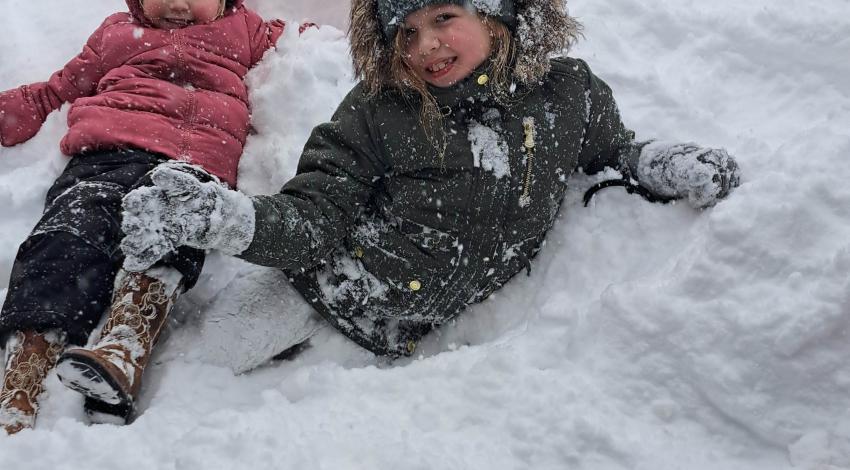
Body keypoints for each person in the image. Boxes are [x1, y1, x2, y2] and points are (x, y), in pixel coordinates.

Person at [124, 0, 738, 418]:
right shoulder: (375, 110)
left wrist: (664, 164)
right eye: (407, 31)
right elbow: (313, 216)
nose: (427, 44)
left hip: (420, 323)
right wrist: (226, 218)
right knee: (219, 353)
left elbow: (611, 151)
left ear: (499, 13)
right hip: (331, 281)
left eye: (445, 15)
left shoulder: (568, 94)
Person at [0, 0, 298, 433]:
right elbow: (57, 91)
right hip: (103, 157)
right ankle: (23, 376)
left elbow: (308, 48)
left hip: (189, 164)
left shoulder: (246, 29)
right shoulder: (115, 33)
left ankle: (125, 345)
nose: (177, 4)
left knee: (176, 227)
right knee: (65, 238)